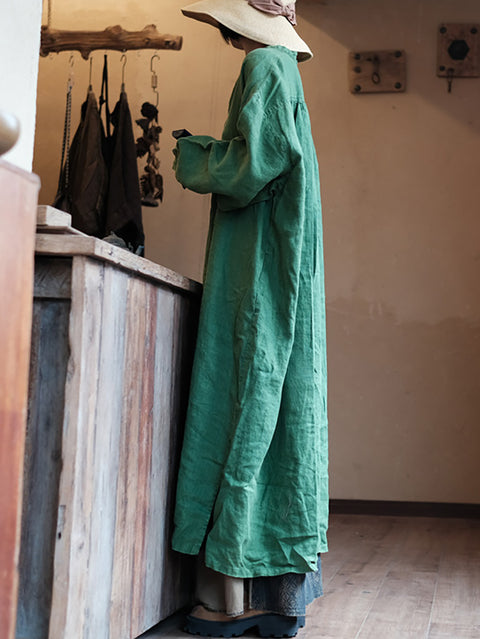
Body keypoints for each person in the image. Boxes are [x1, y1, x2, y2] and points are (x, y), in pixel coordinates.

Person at [171, 1, 328, 636]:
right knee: (276, 410)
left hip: (262, 265)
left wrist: (193, 154)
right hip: (278, 259)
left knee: (247, 409)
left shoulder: (265, 64)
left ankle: (238, 600)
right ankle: (274, 597)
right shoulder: (282, 66)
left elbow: (253, 165)